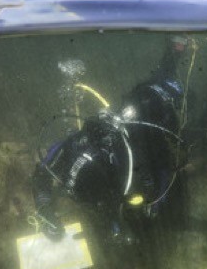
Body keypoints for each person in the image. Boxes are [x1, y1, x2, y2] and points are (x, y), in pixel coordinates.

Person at [31, 36, 193, 248]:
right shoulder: (75, 145)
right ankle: (175, 51)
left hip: (150, 116)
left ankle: (176, 52)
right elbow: (41, 173)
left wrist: (147, 209)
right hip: (134, 105)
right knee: (151, 87)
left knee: (156, 95)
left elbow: (162, 166)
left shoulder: (128, 152)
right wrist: (45, 211)